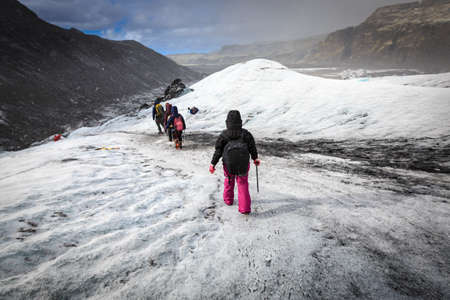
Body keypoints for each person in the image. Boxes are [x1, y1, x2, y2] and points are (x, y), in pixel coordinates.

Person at [209, 110, 260, 215]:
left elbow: (218, 151)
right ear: (240, 121)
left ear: (227, 122)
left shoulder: (224, 135)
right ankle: (245, 208)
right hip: (243, 163)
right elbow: (252, 148)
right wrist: (255, 158)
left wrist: (213, 164)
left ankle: (228, 200)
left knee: (229, 180)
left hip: (228, 164)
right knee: (242, 184)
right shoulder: (246, 134)